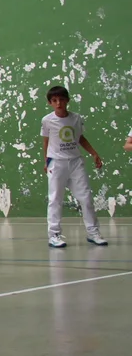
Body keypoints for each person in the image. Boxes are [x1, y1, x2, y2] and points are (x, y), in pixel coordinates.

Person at [41, 85, 105, 248]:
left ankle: (93, 232)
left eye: (61, 99)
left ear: (67, 101)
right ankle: (54, 235)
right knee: (55, 199)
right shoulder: (47, 120)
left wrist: (94, 153)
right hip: (56, 163)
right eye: (54, 100)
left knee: (86, 198)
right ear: (50, 103)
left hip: (76, 162)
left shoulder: (76, 118)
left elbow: (80, 138)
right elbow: (46, 142)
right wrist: (46, 162)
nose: (58, 103)